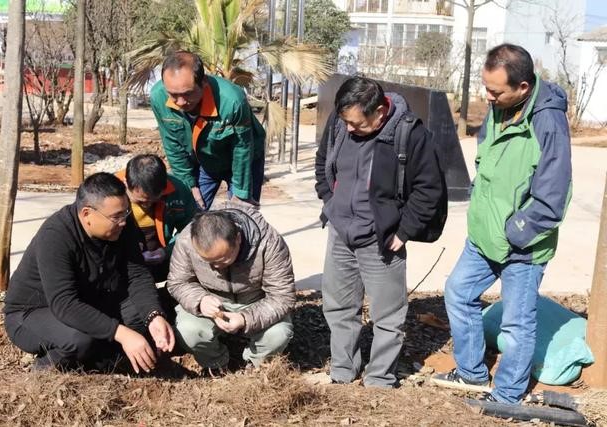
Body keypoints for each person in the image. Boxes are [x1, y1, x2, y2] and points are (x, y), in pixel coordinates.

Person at [431, 44, 572, 404]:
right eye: (485, 87)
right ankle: (471, 374)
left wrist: (515, 231)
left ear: (523, 88)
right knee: (458, 293)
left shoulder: (548, 122)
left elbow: (552, 198)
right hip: (483, 236)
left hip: (523, 246)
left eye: (495, 90)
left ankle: (508, 394)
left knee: (516, 324)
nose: (487, 96)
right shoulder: (499, 107)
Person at [314, 76, 445, 388]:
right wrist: (330, 201)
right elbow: (323, 163)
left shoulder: (409, 133)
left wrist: (404, 230)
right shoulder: (341, 121)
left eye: (357, 124)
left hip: (382, 239)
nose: (349, 129)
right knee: (338, 308)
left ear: (380, 112)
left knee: (388, 316)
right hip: (340, 233)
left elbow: (430, 189)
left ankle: (379, 379)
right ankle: (343, 373)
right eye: (346, 121)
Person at [4, 173, 176, 373]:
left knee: (152, 310)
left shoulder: (122, 223)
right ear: (87, 214)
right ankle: (45, 369)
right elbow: (64, 303)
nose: (123, 222)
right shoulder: (56, 235)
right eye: (116, 217)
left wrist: (153, 316)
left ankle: (106, 360)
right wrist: (121, 333)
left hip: (92, 299)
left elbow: (137, 274)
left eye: (126, 213)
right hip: (34, 313)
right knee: (80, 340)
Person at [167, 202, 295, 376]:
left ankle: (255, 364)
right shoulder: (186, 241)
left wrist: (245, 318)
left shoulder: (268, 242)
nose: (216, 267)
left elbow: (282, 296)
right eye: (209, 262)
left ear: (238, 239)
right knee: (188, 331)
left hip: (256, 301)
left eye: (223, 259)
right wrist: (200, 300)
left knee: (278, 334)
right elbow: (178, 282)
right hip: (211, 300)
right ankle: (216, 363)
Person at [150, 50, 265, 210]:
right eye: (173, 95)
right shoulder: (158, 97)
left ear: (203, 82)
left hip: (245, 161)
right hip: (205, 161)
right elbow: (172, 145)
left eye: (187, 93)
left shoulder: (232, 101)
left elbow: (242, 149)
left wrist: (241, 193)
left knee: (241, 215)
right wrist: (188, 184)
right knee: (191, 211)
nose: (180, 102)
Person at [116, 154, 197, 283]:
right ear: (126, 183)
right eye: (141, 202)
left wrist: (167, 252)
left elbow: (193, 228)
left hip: (162, 258)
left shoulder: (178, 189)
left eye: (154, 200)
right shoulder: (110, 191)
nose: (147, 205)